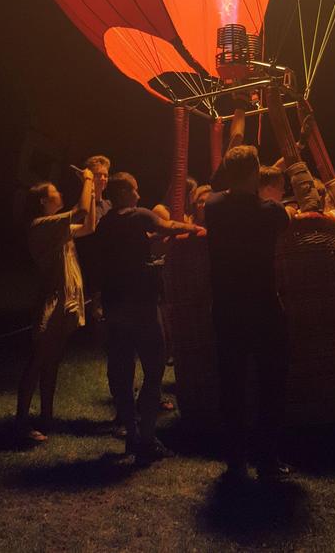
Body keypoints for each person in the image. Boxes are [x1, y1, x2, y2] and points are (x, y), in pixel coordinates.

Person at [94, 172, 204, 464]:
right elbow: (166, 226)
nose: (139, 196)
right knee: (155, 368)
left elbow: (134, 243)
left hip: (115, 302)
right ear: (125, 194)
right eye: (135, 190)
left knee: (122, 369)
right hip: (141, 302)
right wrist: (194, 228)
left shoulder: (106, 223)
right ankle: (147, 436)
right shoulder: (138, 214)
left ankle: (131, 433)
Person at [205, 145, 291, 482]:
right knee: (271, 386)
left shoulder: (213, 207)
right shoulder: (270, 212)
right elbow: (286, 219)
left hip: (226, 308)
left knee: (232, 385)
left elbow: (216, 190)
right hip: (264, 308)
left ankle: (235, 460)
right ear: (256, 173)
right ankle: (268, 459)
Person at [15, 171, 95, 443]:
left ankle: (46, 417)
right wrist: (87, 180)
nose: (60, 193)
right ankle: (21, 423)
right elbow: (81, 212)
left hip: (65, 300)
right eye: (55, 192)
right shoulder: (41, 225)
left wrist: (93, 190)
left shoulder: (55, 226)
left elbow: (88, 227)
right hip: (51, 300)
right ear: (43, 202)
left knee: (53, 362)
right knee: (38, 361)